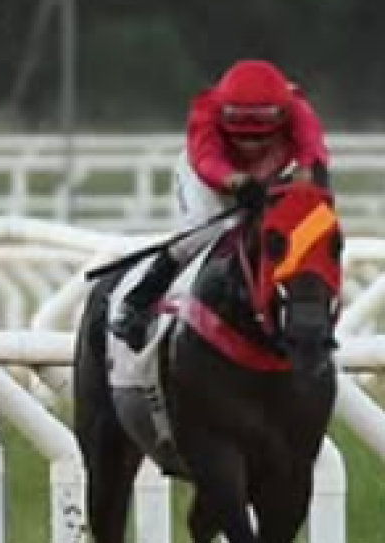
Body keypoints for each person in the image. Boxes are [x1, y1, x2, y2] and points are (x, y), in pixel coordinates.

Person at [110, 59, 331, 352]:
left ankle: (308, 314)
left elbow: (313, 149)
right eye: (240, 125)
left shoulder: (298, 109)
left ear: (282, 111)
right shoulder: (205, 110)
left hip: (274, 173)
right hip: (210, 178)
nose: (250, 141)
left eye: (262, 127)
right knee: (199, 236)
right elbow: (206, 160)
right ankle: (137, 305)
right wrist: (236, 182)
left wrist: (306, 173)